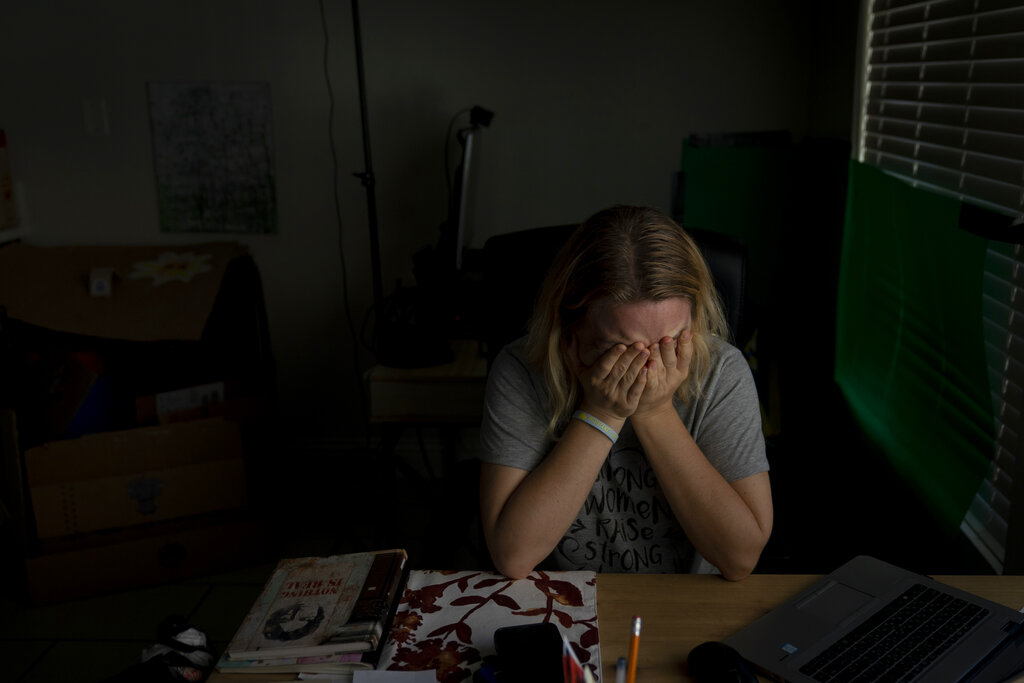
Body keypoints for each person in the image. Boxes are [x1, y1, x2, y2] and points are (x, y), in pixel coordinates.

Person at [478, 205, 772, 580]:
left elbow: (740, 557)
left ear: (694, 322)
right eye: (620, 349)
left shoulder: (721, 372)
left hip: (687, 601)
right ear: (570, 331)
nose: (648, 371)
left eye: (668, 345)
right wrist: (602, 413)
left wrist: (655, 412)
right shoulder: (521, 369)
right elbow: (512, 556)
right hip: (565, 602)